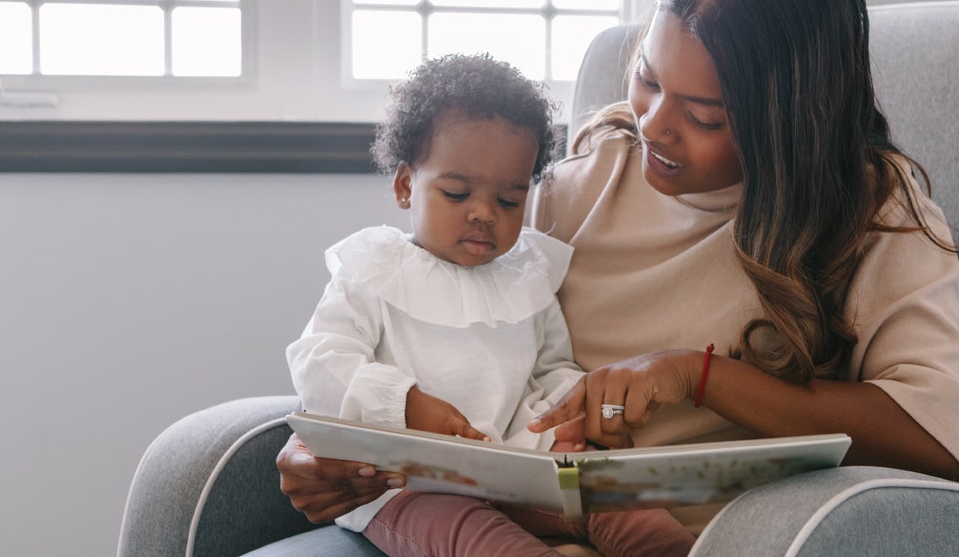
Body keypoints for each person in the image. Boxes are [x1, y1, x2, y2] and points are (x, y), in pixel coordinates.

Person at [277, 0, 959, 550]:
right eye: (648, 79)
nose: (653, 124)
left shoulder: (870, 210)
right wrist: (330, 449)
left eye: (704, 115)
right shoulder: (591, 170)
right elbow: (433, 335)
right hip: (504, 508)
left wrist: (696, 376)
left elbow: (937, 442)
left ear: (790, 121)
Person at [285, 53, 697, 557]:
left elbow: (552, 369)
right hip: (406, 488)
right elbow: (320, 363)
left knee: (627, 506)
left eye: (509, 201)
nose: (483, 213)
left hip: (518, 468)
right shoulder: (371, 270)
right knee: (484, 542)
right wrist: (406, 405)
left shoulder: (526, 274)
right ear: (404, 185)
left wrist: (566, 419)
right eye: (457, 193)